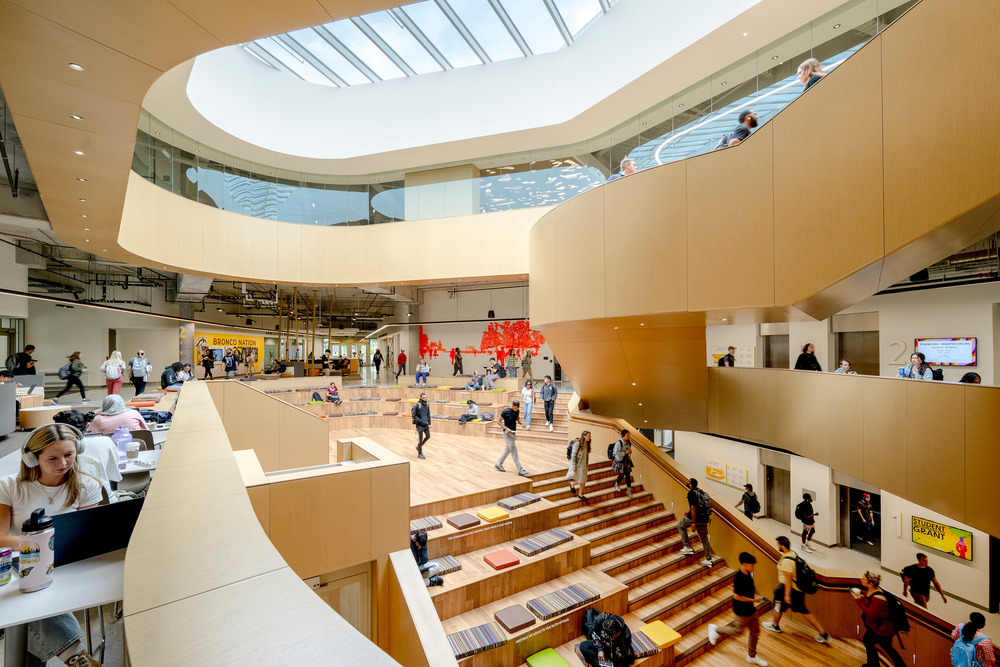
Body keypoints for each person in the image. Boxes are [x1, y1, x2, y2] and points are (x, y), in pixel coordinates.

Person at [0, 423, 104, 667]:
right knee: (28, 593)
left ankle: (74, 657)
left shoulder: (88, 486)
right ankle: (78, 657)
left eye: (69, 454)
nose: (63, 463)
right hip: (16, 563)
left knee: (27, 603)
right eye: (52, 458)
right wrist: (42, 547)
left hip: (66, 564)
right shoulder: (9, 486)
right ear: (32, 459)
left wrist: (40, 547)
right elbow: (1, 537)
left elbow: (85, 538)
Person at [763, 535, 830, 643]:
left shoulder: (787, 562)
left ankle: (774, 625)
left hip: (790, 589)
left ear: (783, 546)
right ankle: (823, 633)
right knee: (802, 610)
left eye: (778, 544)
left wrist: (787, 595)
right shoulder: (792, 553)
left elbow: (788, 579)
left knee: (778, 604)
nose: (777, 546)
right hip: (798, 589)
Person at [708, 552, 769, 666]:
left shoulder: (748, 575)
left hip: (751, 609)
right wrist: (754, 600)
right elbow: (737, 596)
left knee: (755, 632)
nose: (753, 567)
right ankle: (716, 629)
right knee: (738, 631)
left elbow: (749, 592)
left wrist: (756, 598)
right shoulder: (739, 577)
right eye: (751, 565)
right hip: (742, 611)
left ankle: (752, 656)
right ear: (744, 564)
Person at [54, 409, 122, 500]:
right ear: (87, 427)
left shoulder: (48, 449)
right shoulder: (105, 442)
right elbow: (114, 476)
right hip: (105, 501)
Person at [852, 571, 906, 667]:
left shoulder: (879, 597)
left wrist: (857, 600)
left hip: (883, 629)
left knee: (871, 641)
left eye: (864, 579)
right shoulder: (870, 590)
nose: (861, 580)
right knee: (885, 646)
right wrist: (860, 597)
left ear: (871, 583)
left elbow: (872, 614)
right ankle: (874, 664)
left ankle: (873, 664)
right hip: (878, 627)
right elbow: (868, 604)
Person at [677, 477, 714, 567]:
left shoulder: (691, 493)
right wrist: (688, 512)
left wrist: (693, 523)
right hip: (704, 519)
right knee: (704, 538)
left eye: (688, 483)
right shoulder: (701, 492)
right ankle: (708, 559)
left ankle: (688, 547)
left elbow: (693, 508)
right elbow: (695, 506)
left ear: (691, 485)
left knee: (680, 525)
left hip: (696, 519)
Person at [494, 399, 528, 476]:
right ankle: (520, 470)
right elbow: (498, 421)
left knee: (507, 450)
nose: (516, 410)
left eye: (517, 409)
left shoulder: (517, 411)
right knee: (514, 451)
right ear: (512, 406)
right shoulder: (506, 411)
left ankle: (498, 464)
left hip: (513, 434)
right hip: (506, 434)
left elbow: (518, 418)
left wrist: (522, 423)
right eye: (515, 408)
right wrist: (505, 428)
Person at [566, 430, 591, 499]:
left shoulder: (587, 444)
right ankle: (572, 484)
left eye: (590, 436)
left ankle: (580, 494)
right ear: (584, 436)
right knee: (582, 480)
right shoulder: (578, 444)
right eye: (588, 436)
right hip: (578, 464)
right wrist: (574, 466)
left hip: (584, 465)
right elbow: (573, 456)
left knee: (584, 480)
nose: (589, 437)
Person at [611, 429, 634, 498]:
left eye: (629, 435)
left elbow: (628, 450)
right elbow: (616, 453)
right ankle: (617, 484)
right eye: (627, 435)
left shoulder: (628, 442)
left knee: (628, 475)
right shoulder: (619, 443)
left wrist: (629, 451)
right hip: (620, 461)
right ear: (623, 435)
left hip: (626, 461)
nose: (628, 436)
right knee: (621, 474)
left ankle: (629, 490)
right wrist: (625, 452)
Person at [411, 392, 430, 460]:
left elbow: (428, 414)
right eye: (424, 397)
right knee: (420, 439)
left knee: (428, 436)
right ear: (421, 398)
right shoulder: (417, 405)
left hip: (425, 424)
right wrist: (421, 421)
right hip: (419, 425)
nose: (425, 398)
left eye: (426, 397)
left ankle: (419, 447)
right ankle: (420, 453)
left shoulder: (427, 404)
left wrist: (429, 423)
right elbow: (414, 416)